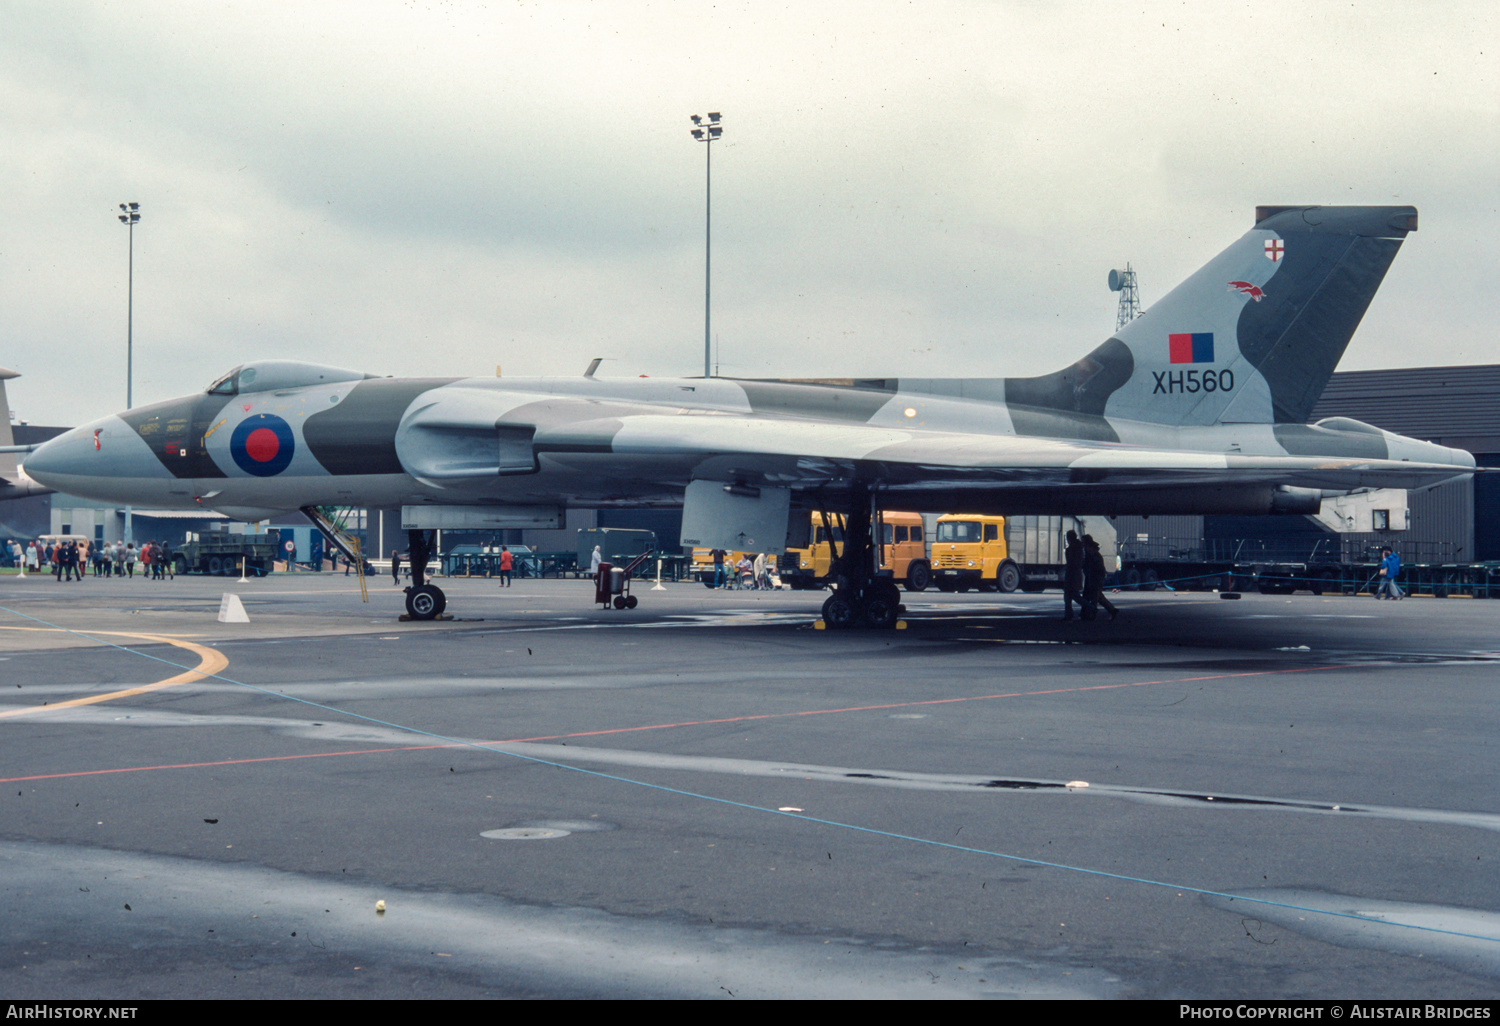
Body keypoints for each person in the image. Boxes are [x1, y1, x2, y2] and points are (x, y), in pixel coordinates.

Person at [1082, 534, 1118, 621]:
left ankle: (1091, 615)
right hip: (1092, 578)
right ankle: (1112, 610)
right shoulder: (1091, 555)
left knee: (1094, 597)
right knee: (1098, 597)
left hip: (1095, 579)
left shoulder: (1094, 556)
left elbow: (1098, 569)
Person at [1062, 529, 1084, 621]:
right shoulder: (1080, 548)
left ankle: (1090, 609)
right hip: (1077, 575)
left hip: (1072, 575)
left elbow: (1071, 563)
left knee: (1070, 596)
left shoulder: (1071, 549)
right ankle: (1090, 608)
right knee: (1074, 595)